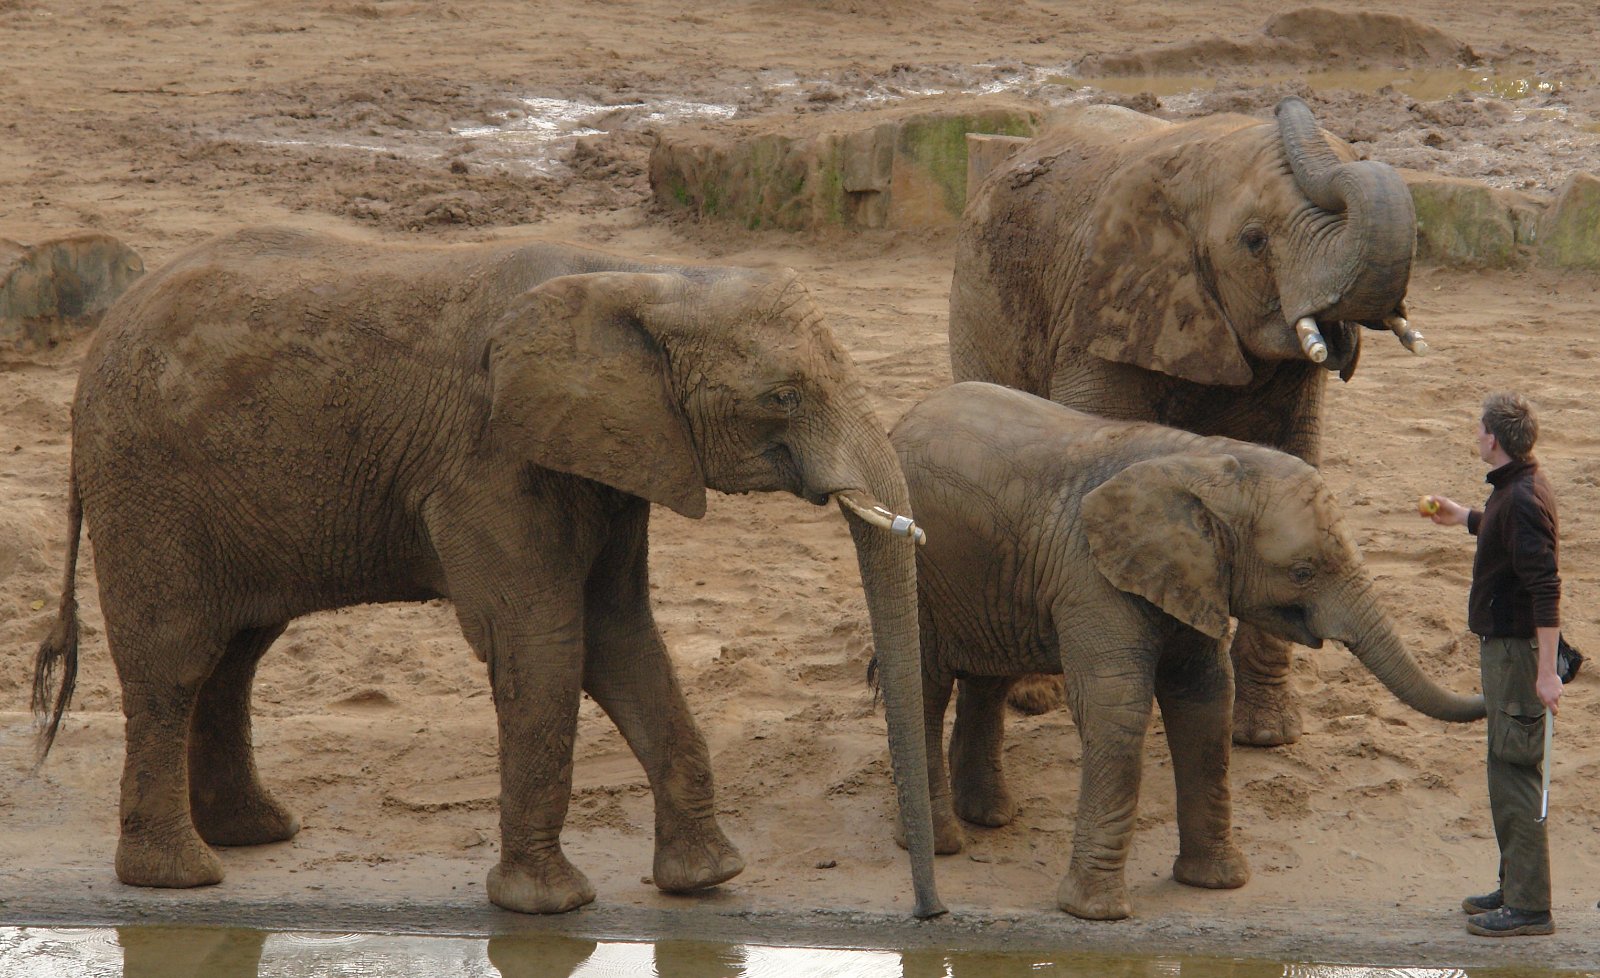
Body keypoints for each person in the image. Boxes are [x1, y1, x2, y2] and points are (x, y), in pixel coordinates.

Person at [1422, 391, 1562, 937]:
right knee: (1505, 766)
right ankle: (1515, 886)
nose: (1475, 436)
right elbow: (1508, 537)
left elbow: (1546, 588)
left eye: (1478, 429)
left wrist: (1546, 673)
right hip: (1507, 652)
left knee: (1515, 773)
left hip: (1520, 656)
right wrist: (1465, 517)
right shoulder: (1516, 488)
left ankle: (1530, 909)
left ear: (1493, 439)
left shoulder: (1523, 498)